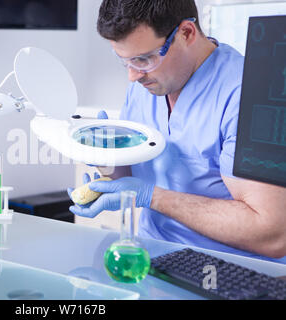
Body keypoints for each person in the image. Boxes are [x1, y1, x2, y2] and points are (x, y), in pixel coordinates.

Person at [68, 0, 286, 263]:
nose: (132, 76)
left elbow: (273, 235)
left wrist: (152, 196)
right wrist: (108, 161)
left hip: (230, 272)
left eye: (143, 58)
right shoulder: (145, 84)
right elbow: (130, 176)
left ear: (186, 33)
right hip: (151, 258)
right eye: (124, 61)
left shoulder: (249, 94)